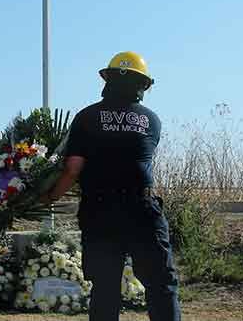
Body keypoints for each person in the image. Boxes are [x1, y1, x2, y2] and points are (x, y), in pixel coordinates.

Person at [41, 52, 180, 321]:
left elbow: (73, 169)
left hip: (100, 211)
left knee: (105, 288)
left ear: (108, 80)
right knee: (162, 284)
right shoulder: (152, 120)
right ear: (142, 86)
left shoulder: (86, 117)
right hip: (142, 210)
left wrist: (50, 196)